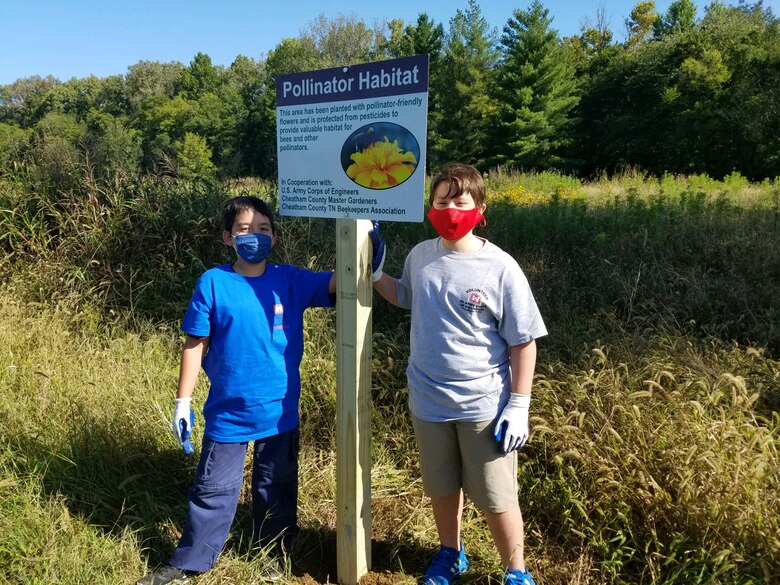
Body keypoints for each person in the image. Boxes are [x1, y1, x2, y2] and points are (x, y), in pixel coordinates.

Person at [139, 196, 336, 585]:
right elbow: (195, 344)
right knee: (213, 488)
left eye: (263, 229)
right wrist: (183, 401)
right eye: (245, 229)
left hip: (279, 410)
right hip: (228, 412)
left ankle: (272, 554)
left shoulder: (290, 279)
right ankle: (192, 561)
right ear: (228, 237)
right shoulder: (214, 282)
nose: (255, 236)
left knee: (276, 486)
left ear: (274, 237)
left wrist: (367, 251)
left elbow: (335, 280)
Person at [370, 163, 546, 585]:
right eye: (441, 201)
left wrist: (519, 404)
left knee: (496, 495)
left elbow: (524, 341)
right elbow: (406, 296)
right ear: (430, 206)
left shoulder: (500, 267)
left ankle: (516, 571)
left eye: (460, 202)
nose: (450, 209)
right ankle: (451, 552)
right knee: (442, 486)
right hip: (428, 400)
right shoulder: (421, 256)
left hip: (483, 405)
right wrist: (377, 275)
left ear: (480, 209)